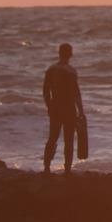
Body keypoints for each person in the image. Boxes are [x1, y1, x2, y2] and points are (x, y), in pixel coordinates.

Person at [43, 42, 85, 175]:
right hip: (69, 109)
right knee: (69, 140)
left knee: (52, 138)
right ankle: (67, 170)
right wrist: (81, 111)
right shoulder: (71, 71)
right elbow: (76, 93)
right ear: (70, 54)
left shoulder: (51, 69)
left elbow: (45, 91)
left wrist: (49, 106)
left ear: (59, 53)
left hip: (55, 107)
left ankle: (47, 167)